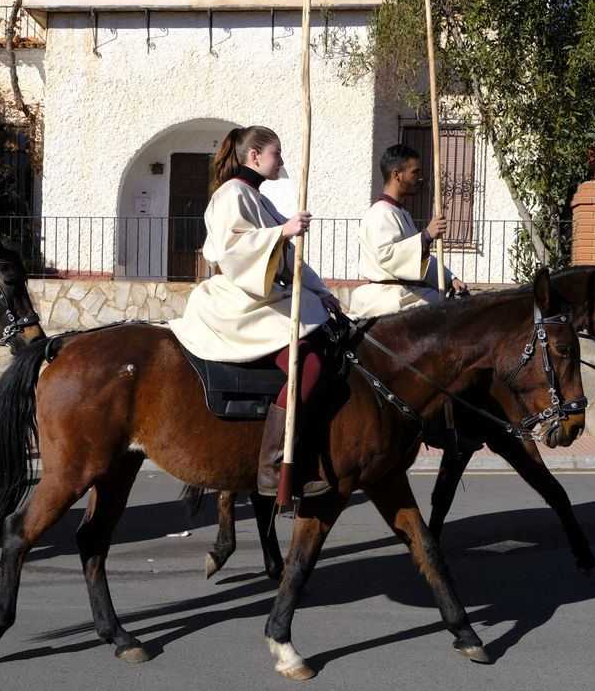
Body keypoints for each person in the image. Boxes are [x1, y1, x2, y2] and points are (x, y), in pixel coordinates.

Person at [169, 125, 344, 500]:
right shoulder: (232, 193)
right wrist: (282, 232)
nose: (280, 160)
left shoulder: (256, 197)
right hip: (238, 301)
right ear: (254, 157)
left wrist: (320, 290)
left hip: (262, 295)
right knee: (308, 365)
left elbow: (288, 261)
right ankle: (271, 466)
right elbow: (235, 251)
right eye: (275, 153)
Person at [347, 143, 466, 318]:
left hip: (404, 294)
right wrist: (425, 236)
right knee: (447, 315)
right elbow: (388, 256)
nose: (420, 178)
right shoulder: (381, 213)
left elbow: (419, 260)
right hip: (387, 297)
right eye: (415, 172)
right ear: (396, 175)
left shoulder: (402, 213)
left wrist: (450, 279)